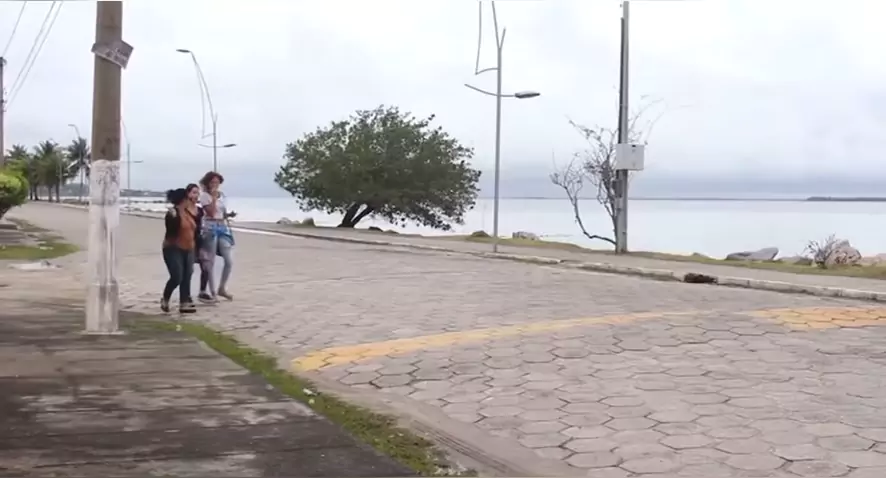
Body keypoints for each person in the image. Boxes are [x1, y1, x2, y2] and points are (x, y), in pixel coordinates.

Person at [161, 184, 202, 314]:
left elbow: (196, 229)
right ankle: (165, 298)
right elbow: (171, 231)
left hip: (189, 248)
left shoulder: (188, 213)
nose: (190, 201)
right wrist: (173, 217)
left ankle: (184, 303)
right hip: (173, 248)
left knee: (187, 276)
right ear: (182, 200)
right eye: (187, 199)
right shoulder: (173, 213)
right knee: (177, 276)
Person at [197, 171, 236, 302]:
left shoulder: (222, 195)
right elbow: (212, 213)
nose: (215, 184)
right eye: (212, 182)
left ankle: (222, 288)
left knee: (229, 261)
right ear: (207, 183)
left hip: (222, 227)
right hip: (210, 227)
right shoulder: (205, 196)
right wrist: (213, 198)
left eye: (217, 182)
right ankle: (212, 292)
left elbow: (221, 213)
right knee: (210, 262)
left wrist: (229, 215)